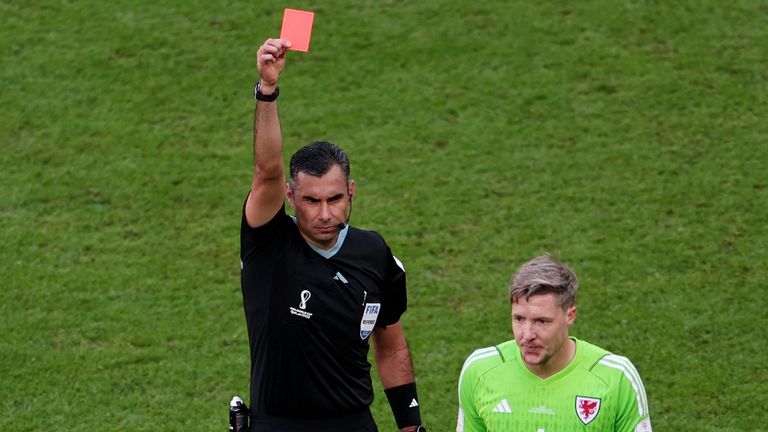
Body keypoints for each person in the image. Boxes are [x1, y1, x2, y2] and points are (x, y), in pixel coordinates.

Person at [238, 38, 426, 432]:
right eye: (310, 201)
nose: (325, 214)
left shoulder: (373, 253)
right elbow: (266, 171)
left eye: (335, 199)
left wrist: (411, 426)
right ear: (290, 196)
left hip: (354, 423)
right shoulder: (268, 242)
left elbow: (390, 345)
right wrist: (267, 91)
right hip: (279, 425)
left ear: (351, 191)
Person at [456, 255, 652, 432]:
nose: (527, 334)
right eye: (519, 319)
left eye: (541, 321)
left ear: (570, 316)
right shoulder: (480, 371)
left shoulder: (616, 378)